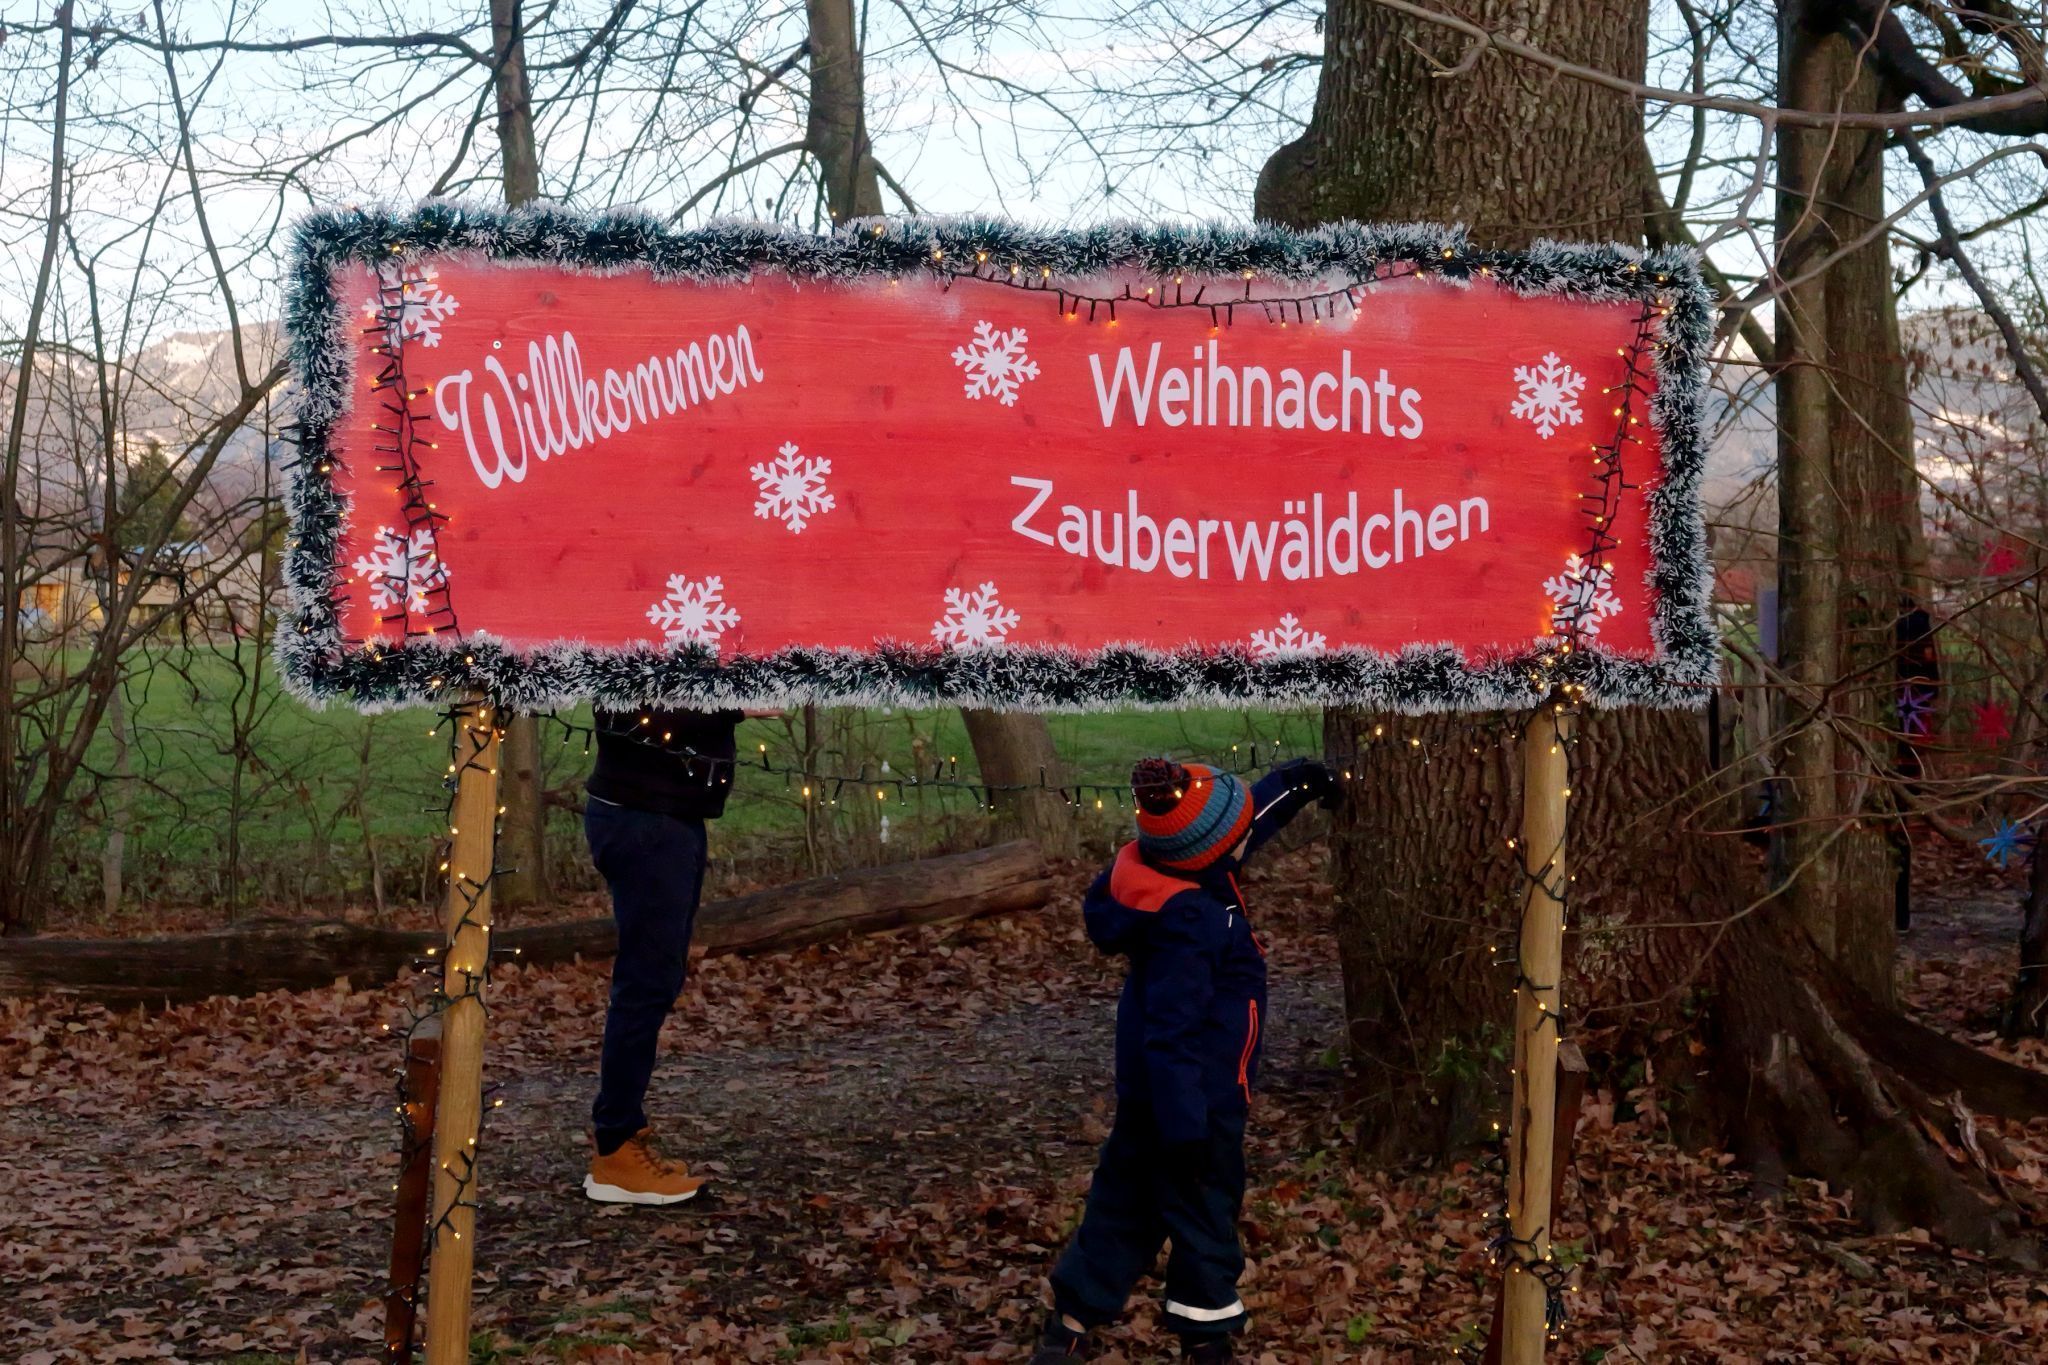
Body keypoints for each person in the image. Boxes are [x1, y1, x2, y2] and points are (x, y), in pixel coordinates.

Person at [1031, 755, 1341, 1363]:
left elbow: (1241, 824)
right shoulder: (1193, 924)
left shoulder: (1162, 871)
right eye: (1239, 836)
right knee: (1203, 1214)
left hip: (1150, 1099)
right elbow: (1171, 1034)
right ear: (1216, 854)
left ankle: (1067, 1327)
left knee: (1123, 1205)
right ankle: (1206, 1340)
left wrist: (1296, 784)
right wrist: (1188, 1127)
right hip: (1196, 1101)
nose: (1248, 839)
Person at [581, 703, 764, 1205]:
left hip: (666, 813)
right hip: (644, 818)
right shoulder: (630, 652)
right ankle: (615, 1150)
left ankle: (622, 1134)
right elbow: (629, 711)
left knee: (657, 979)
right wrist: (731, 703)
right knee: (646, 982)